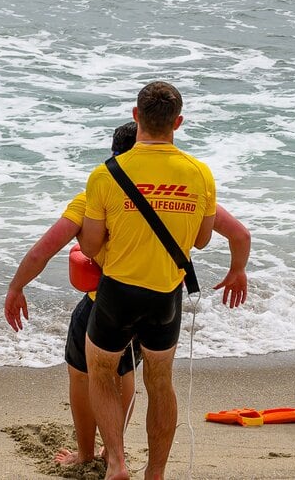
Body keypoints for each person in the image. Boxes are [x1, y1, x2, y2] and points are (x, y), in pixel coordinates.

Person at [2, 123, 250, 471]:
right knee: (136, 377)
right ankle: (129, 460)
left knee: (84, 373)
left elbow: (43, 251)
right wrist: (238, 271)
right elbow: (239, 234)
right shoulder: (187, 187)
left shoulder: (98, 191)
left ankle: (93, 454)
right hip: (164, 299)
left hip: (106, 301)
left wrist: (16, 288)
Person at [78, 82, 218, 480]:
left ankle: (117, 462)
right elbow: (202, 239)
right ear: (178, 122)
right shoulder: (199, 174)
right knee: (160, 381)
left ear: (136, 116)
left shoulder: (106, 174)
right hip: (165, 295)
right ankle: (154, 474)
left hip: (118, 291)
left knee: (102, 371)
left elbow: (90, 245)